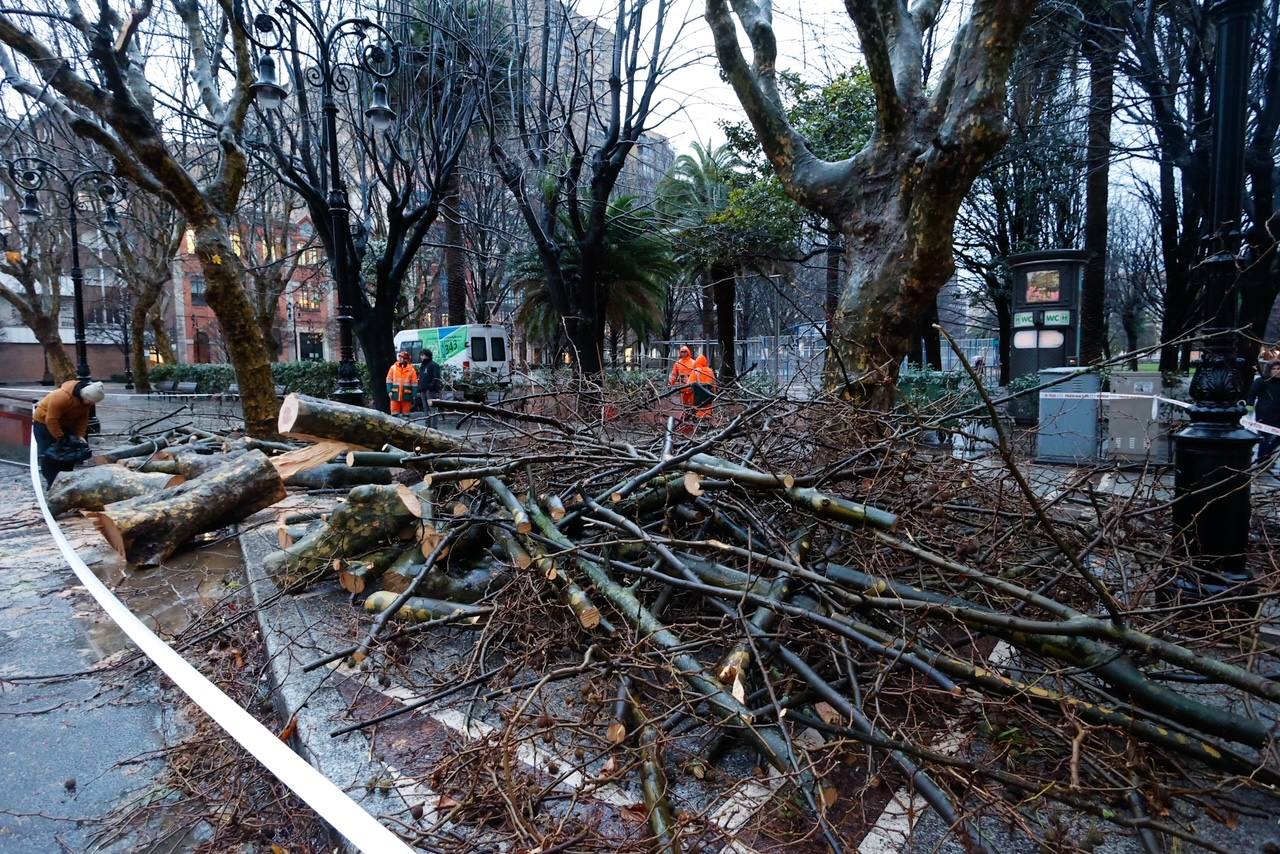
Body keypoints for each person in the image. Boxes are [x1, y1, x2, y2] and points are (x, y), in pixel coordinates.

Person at [33, 379, 104, 488]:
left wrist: (80, 435)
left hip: (66, 423)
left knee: (69, 453)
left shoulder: (87, 401)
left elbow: (83, 419)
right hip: (43, 423)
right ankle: (52, 483)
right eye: (89, 401)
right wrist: (60, 437)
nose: (89, 404)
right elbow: (51, 419)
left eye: (92, 402)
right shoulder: (61, 397)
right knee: (50, 453)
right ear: (84, 395)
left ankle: (66, 479)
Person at [1247, 360, 1280, 468]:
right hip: (1264, 413)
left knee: (1277, 438)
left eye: (1278, 369)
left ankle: (1267, 455)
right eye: (1274, 369)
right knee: (1264, 438)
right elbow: (1251, 395)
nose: (1276, 371)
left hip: (1279, 414)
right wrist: (1249, 407)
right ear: (1269, 370)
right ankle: (1261, 463)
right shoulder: (1261, 381)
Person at [386, 351, 418, 416]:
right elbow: (389, 380)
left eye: (402, 357)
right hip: (395, 393)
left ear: (406, 359)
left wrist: (414, 395)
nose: (400, 358)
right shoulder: (393, 368)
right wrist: (389, 391)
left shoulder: (411, 370)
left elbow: (414, 383)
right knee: (394, 414)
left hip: (406, 394)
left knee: (406, 414)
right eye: (399, 357)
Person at [688, 353, 717, 422]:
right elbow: (714, 384)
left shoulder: (695, 371)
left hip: (698, 395)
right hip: (709, 394)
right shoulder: (710, 371)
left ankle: (699, 421)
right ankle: (707, 420)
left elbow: (689, 385)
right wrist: (714, 393)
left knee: (699, 410)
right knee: (708, 409)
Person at [668, 345, 696, 415]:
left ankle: (692, 415)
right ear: (680, 353)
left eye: (685, 352)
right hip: (682, 386)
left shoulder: (693, 362)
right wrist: (670, 383)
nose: (683, 353)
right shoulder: (678, 363)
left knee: (692, 402)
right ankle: (685, 416)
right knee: (684, 403)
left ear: (688, 352)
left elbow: (697, 373)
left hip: (691, 386)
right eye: (682, 352)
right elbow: (674, 375)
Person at [417, 349, 443, 417]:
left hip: (430, 390)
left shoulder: (434, 365)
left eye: (422, 355)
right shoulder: (422, 366)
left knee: (432, 408)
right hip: (423, 390)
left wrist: (431, 386)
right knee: (425, 409)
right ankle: (427, 426)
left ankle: (434, 427)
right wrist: (420, 387)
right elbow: (421, 378)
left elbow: (436, 377)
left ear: (427, 356)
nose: (421, 357)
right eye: (421, 355)